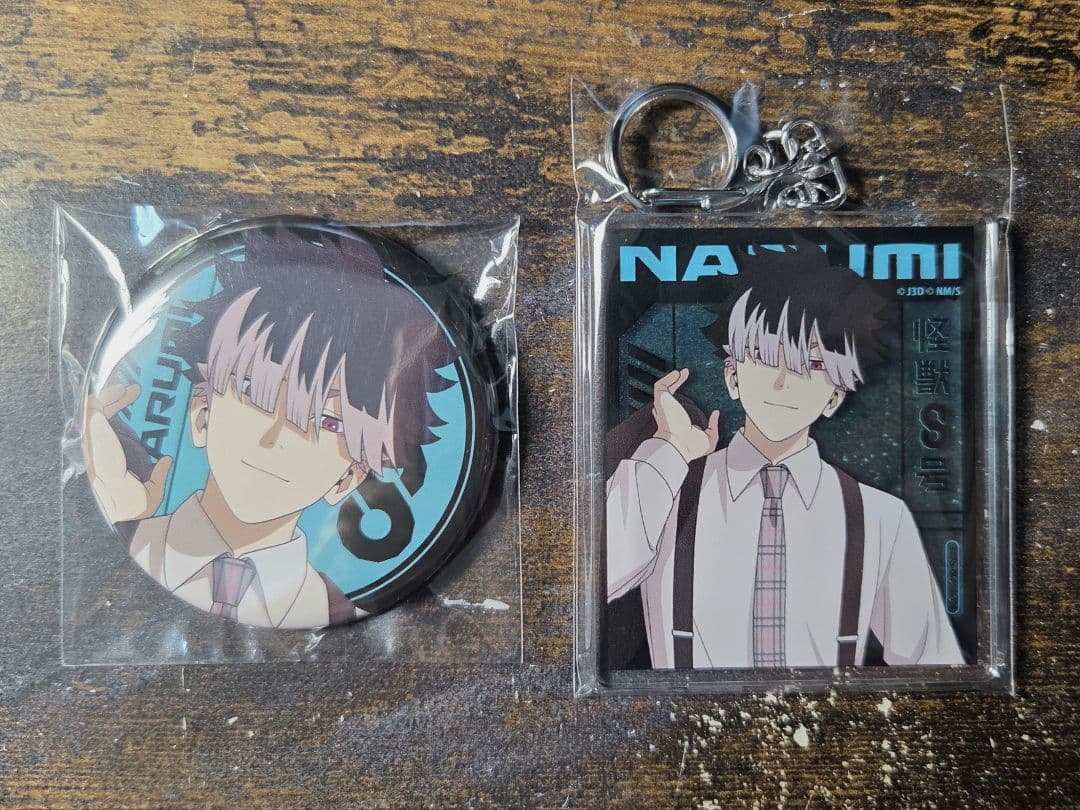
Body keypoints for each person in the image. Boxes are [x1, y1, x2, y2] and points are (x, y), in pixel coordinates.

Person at [606, 243, 963, 669]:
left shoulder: (881, 517)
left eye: (811, 364)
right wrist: (669, 449)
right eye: (763, 356)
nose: (782, 382)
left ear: (835, 396)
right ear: (732, 376)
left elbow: (934, 665)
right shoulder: (668, 490)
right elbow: (594, 578)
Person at [83, 226, 456, 629]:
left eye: (329, 421)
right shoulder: (131, 539)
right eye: (253, 392)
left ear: (348, 478)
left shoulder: (339, 603)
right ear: (202, 414)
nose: (276, 438)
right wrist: (121, 518)